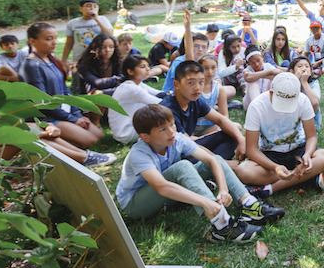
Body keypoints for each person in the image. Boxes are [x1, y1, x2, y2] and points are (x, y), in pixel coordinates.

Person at [115, 104, 283, 242]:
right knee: (183, 166)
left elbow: (212, 161)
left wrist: (223, 189)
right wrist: (205, 202)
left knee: (216, 158)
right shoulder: (139, 154)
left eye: (172, 124)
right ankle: (222, 226)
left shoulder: (176, 139)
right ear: (145, 137)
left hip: (166, 195)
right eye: (162, 129)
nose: (171, 131)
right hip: (136, 204)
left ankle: (249, 204)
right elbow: (161, 187)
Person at [234, 73, 324, 196]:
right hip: (270, 154)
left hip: (298, 150)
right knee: (243, 171)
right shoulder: (257, 106)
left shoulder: (303, 100)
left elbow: (312, 137)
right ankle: (307, 176)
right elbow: (252, 150)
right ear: (271, 93)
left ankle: (270, 189)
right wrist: (275, 168)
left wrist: (308, 155)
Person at [19, 23, 106, 154]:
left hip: (63, 112)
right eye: (49, 39)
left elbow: (65, 90)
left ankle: (67, 138)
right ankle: (52, 141)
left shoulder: (51, 60)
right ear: (32, 41)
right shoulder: (31, 65)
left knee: (99, 136)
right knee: (91, 141)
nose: (54, 42)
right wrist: (72, 119)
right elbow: (43, 102)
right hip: (47, 118)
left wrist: (77, 115)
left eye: (55, 38)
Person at [160, 60, 246, 163]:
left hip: (190, 147)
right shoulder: (168, 110)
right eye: (191, 82)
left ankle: (212, 166)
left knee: (231, 133)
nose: (197, 88)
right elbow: (187, 146)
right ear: (176, 84)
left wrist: (241, 139)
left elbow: (221, 120)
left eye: (201, 82)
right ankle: (216, 165)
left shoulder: (194, 100)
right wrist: (223, 163)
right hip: (176, 157)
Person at [110, 55, 166, 145]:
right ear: (130, 71)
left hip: (126, 130)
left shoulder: (137, 84)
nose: (148, 69)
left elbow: (159, 94)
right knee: (163, 113)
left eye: (148, 66)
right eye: (142, 67)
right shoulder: (131, 88)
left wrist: (172, 94)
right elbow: (162, 103)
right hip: (126, 134)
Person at [162, 10, 209, 93]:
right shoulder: (179, 62)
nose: (200, 49)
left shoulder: (206, 61)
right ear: (189, 47)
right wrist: (187, 28)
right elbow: (182, 84)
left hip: (196, 91)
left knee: (229, 90)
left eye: (203, 47)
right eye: (196, 46)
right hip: (175, 93)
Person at [61, 0, 114, 72]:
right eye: (88, 6)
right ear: (81, 8)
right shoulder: (73, 23)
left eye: (95, 6)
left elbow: (110, 35)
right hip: (79, 59)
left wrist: (96, 19)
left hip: (99, 58)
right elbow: (69, 43)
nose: (92, 8)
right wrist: (63, 62)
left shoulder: (103, 20)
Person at [196, 53, 230, 132]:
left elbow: (225, 115)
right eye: (205, 68)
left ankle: (203, 137)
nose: (210, 72)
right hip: (193, 126)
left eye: (213, 68)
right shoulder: (194, 87)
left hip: (211, 127)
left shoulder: (219, 88)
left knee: (236, 126)